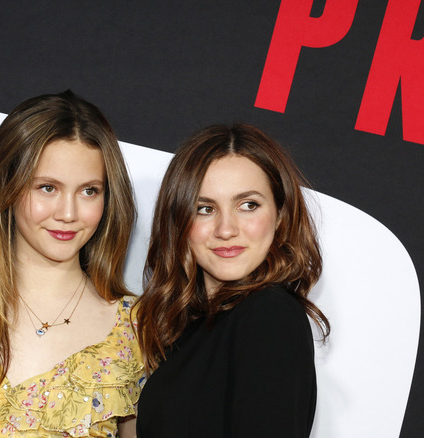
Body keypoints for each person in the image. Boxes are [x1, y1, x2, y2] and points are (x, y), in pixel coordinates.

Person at [0, 90, 145, 437]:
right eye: (47, 187)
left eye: (89, 191)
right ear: (5, 187)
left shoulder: (135, 327)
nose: (68, 214)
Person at [134, 123, 330, 437]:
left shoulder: (269, 315)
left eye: (248, 205)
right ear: (179, 221)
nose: (226, 229)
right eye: (204, 208)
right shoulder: (191, 326)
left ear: (280, 215)